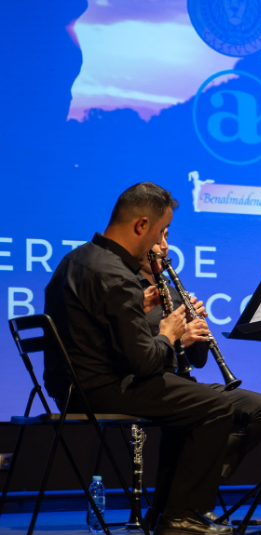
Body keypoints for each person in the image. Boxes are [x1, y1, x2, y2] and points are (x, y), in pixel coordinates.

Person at [44, 183, 235, 535]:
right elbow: (145, 363)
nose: (162, 244)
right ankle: (179, 517)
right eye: (161, 232)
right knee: (215, 405)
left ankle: (170, 509)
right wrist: (170, 332)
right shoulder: (116, 275)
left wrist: (139, 310)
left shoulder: (76, 260)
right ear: (141, 226)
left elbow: (94, 327)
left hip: (70, 386)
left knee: (201, 402)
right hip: (102, 388)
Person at [139, 229, 261, 527]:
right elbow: (135, 348)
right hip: (148, 383)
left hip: (183, 384)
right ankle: (185, 503)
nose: (164, 245)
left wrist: (196, 332)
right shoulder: (130, 290)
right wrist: (178, 339)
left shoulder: (173, 291)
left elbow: (198, 362)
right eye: (157, 238)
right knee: (211, 408)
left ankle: (189, 492)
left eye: (167, 236)